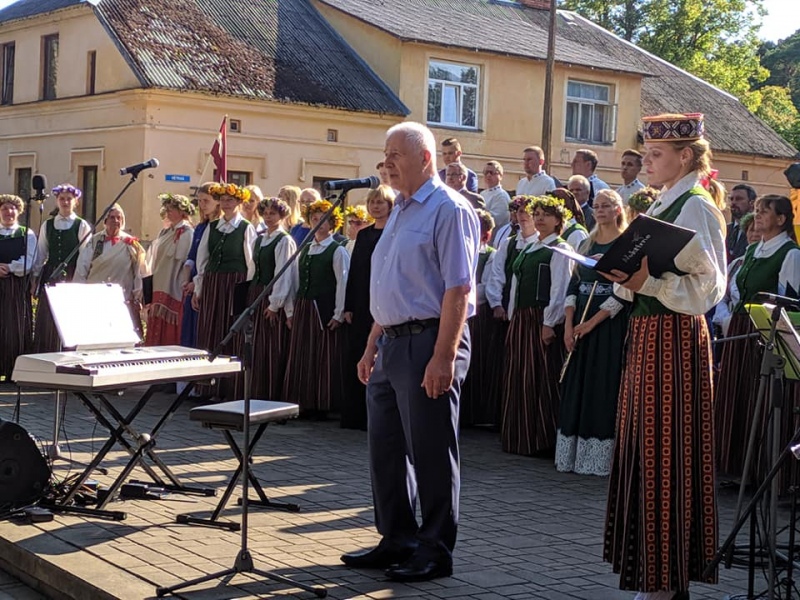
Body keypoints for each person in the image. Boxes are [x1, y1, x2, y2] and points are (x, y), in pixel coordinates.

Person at [341, 122, 479, 582]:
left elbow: (458, 288)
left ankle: (434, 549)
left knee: (431, 450)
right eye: (384, 156)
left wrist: (444, 357)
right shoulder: (398, 211)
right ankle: (396, 536)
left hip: (429, 340)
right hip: (391, 343)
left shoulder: (449, 208)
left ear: (425, 158)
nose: (387, 164)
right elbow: (390, 285)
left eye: (395, 154)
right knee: (386, 448)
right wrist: (370, 344)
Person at [601, 113, 724, 599]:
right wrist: (624, 278)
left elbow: (711, 287)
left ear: (685, 156)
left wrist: (646, 283)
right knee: (644, 450)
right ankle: (654, 575)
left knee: (666, 453)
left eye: (655, 155)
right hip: (651, 336)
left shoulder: (695, 206)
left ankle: (666, 581)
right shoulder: (666, 203)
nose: (645, 162)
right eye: (646, 153)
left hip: (673, 342)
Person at [715, 195, 800, 480]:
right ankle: (737, 466)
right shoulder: (753, 251)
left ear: (782, 219)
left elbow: (790, 301)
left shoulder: (790, 253)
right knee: (737, 396)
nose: (759, 215)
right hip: (741, 329)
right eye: (757, 211)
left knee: (760, 399)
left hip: (765, 331)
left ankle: (763, 472)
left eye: (766, 212)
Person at [555, 189, 628, 476]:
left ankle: (597, 459)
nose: (600, 210)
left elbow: (624, 293)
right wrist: (569, 325)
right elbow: (573, 286)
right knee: (577, 386)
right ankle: (571, 455)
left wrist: (592, 323)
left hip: (607, 325)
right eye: (596, 206)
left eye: (606, 206)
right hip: (580, 325)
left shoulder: (625, 245)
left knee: (602, 387)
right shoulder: (585, 243)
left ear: (617, 209)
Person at [501, 195, 574, 456]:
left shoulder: (560, 249)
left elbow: (559, 289)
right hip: (522, 318)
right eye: (538, 213)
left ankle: (540, 439)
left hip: (539, 318)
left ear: (558, 220)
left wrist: (549, 322)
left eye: (546, 214)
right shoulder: (532, 247)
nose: (540, 218)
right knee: (520, 376)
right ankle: (521, 437)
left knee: (539, 377)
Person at [282, 199, 350, 416]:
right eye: (314, 219)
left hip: (322, 308)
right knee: (302, 353)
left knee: (321, 356)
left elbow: (343, 283)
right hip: (303, 305)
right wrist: (290, 310)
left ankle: (321, 402)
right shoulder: (306, 248)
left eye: (323, 219)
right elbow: (295, 279)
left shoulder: (337, 250)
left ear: (332, 223)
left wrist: (339, 313)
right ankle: (302, 400)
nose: (318, 223)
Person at [193, 183, 256, 399]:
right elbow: (203, 260)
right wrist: (199, 289)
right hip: (213, 283)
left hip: (234, 283)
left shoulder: (246, 228)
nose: (227, 204)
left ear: (239, 202)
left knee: (230, 332)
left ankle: (230, 388)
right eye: (224, 200)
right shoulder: (213, 227)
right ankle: (207, 386)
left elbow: (251, 263)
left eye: (231, 200)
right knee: (210, 329)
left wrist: (246, 292)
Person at [342, 185, 394, 430]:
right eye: (372, 202)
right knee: (358, 353)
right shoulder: (363, 235)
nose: (375, 207)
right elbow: (354, 273)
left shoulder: (394, 233)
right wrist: (348, 305)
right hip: (362, 302)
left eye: (380, 203)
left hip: (385, 301)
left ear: (390, 206)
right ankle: (355, 414)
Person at [246, 196, 297, 401]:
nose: (268, 217)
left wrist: (275, 304)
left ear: (282, 215)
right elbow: (253, 268)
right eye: (265, 213)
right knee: (255, 345)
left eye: (273, 213)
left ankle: (269, 394)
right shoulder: (260, 239)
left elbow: (284, 274)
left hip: (270, 295)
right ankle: (255, 391)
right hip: (256, 292)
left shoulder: (284, 240)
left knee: (270, 346)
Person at [32, 183, 92, 353]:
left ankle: (68, 353)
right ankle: (46, 352)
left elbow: (85, 255)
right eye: (62, 199)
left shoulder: (81, 225)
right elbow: (41, 252)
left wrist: (80, 280)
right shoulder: (47, 225)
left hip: (73, 273)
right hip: (51, 274)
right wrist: (35, 277)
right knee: (48, 315)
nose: (65, 202)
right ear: (57, 201)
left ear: (76, 202)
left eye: (69, 199)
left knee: (69, 315)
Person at [461, 208, 504, 427]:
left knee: (477, 360)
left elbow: (486, 286)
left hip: (477, 314)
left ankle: (474, 412)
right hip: (459, 312)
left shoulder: (490, 255)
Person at [75, 204, 146, 336]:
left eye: (119, 218)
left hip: (122, 300)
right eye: (112, 217)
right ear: (105, 221)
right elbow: (82, 268)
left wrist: (137, 297)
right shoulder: (95, 241)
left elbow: (139, 272)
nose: (116, 221)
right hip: (96, 300)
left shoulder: (130, 244)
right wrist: (80, 294)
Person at [145, 194, 195, 346]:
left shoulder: (187, 233)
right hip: (160, 281)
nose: (168, 212)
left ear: (182, 211)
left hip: (174, 284)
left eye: (172, 209)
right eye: (166, 209)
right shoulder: (165, 232)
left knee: (172, 324)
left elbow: (186, 260)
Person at [180, 182, 221, 349]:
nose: (202, 205)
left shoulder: (219, 228)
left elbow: (210, 260)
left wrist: (196, 284)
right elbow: (191, 257)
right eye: (199, 201)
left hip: (206, 285)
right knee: (189, 332)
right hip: (193, 285)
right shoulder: (200, 228)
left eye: (206, 201)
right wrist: (186, 280)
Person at [0, 194, 36, 380]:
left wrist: (10, 267)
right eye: (4, 208)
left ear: (18, 211)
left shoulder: (26, 233)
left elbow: (29, 261)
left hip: (16, 285)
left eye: (12, 208)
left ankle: (14, 371)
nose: (8, 212)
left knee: (15, 327)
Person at [711, 212, 758, 337]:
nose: (754, 235)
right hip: (731, 327)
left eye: (759, 230)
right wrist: (725, 318)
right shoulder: (736, 264)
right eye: (750, 230)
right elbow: (722, 295)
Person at [726, 183, 757, 263]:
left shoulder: (757, 231)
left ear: (751, 203)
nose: (733, 202)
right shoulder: (725, 230)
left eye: (739, 199)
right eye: (731, 199)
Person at [480, 160, 511, 233]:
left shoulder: (501, 195)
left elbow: (495, 220)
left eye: (492, 173)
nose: (488, 175)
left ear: (500, 176)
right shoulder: (482, 193)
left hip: (495, 237)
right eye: (486, 173)